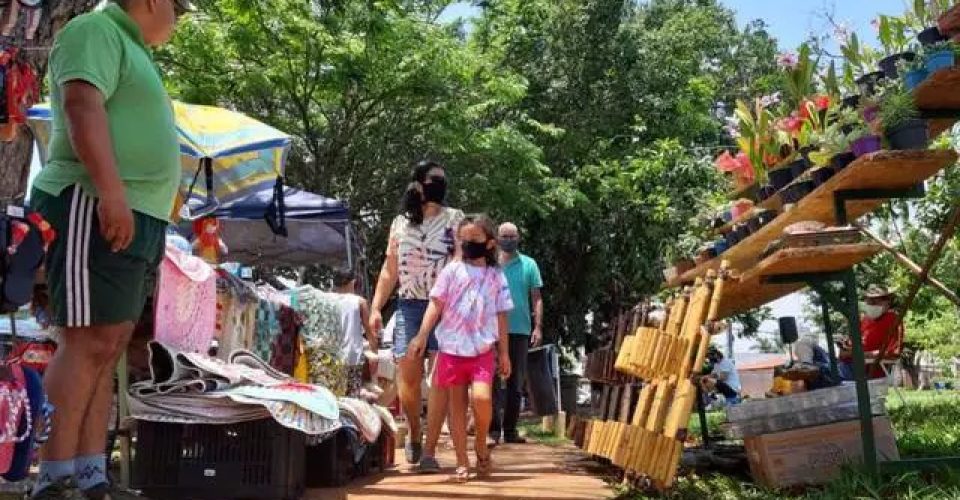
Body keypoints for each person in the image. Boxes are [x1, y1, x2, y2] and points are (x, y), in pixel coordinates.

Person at [27, 0, 193, 497]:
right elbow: (82, 104)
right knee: (85, 340)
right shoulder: (95, 28)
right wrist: (113, 192)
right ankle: (54, 479)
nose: (179, 17)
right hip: (92, 200)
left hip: (136, 212)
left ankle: (90, 473)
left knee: (109, 344)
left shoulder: (134, 49)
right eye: (178, 7)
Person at [369, 160, 464, 466]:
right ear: (419, 184)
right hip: (409, 306)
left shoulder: (455, 219)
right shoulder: (400, 224)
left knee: (440, 379)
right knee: (407, 378)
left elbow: (460, 260)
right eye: (435, 178)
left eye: (443, 178)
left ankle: (430, 450)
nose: (440, 183)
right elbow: (389, 269)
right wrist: (375, 308)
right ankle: (414, 431)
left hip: (444, 308)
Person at [406, 214, 513, 481]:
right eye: (463, 240)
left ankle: (479, 443)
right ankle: (462, 460)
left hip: (482, 350)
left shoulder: (496, 276)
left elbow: (501, 315)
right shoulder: (451, 271)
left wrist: (504, 352)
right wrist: (421, 335)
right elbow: (436, 304)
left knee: (482, 398)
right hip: (452, 348)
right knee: (456, 407)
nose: (467, 245)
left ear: (489, 243)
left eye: (474, 240)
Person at [490, 222, 543, 445]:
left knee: (515, 382)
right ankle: (492, 430)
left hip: (520, 330)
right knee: (490, 380)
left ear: (518, 238)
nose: (508, 239)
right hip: (491, 332)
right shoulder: (489, 265)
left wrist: (538, 326)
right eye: (504, 236)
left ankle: (510, 430)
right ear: (497, 237)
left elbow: (537, 298)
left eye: (512, 236)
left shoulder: (529, 264)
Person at [838, 285, 903, 381]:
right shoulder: (864, 320)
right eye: (868, 301)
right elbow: (849, 347)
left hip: (864, 370)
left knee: (819, 372)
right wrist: (845, 348)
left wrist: (861, 354)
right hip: (846, 364)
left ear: (887, 302)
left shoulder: (893, 320)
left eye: (875, 301)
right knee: (810, 348)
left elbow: (892, 352)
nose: (871, 304)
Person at [332, 268, 378, 395]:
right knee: (353, 394)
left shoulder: (327, 299)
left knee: (336, 394)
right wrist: (375, 350)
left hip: (332, 355)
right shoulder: (359, 302)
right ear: (353, 282)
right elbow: (369, 331)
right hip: (353, 355)